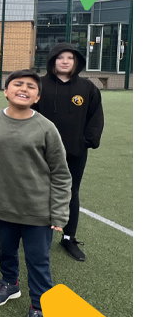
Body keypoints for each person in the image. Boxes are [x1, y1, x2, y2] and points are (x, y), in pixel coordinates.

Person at [0, 70, 72, 317]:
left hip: (38, 210)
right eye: (18, 84)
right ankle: (10, 283)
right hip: (4, 207)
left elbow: (61, 174)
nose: (24, 89)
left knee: (38, 260)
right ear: (5, 91)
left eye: (31, 87)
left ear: (37, 96)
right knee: (5, 250)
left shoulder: (45, 128)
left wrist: (60, 212)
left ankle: (40, 308)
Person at [33, 43, 104, 262]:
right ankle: (35, 235)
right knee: (37, 192)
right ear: (52, 60)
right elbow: (29, 114)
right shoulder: (40, 85)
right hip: (41, 152)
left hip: (75, 152)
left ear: (77, 62)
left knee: (71, 193)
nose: (65, 61)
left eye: (70, 58)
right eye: (60, 57)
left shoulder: (87, 88)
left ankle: (68, 237)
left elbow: (95, 117)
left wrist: (86, 142)